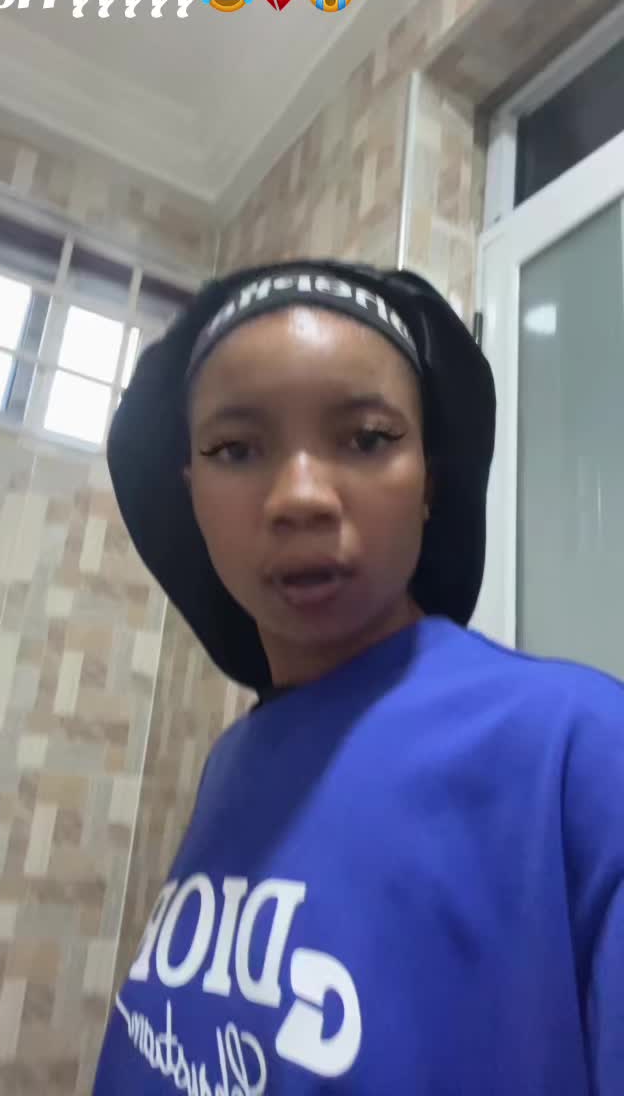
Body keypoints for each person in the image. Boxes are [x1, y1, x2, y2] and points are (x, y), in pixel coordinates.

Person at [93, 259, 624, 1094]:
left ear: (429, 484)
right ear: (190, 493)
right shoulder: (233, 762)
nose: (299, 497)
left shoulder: (581, 749)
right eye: (236, 449)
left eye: (368, 438)